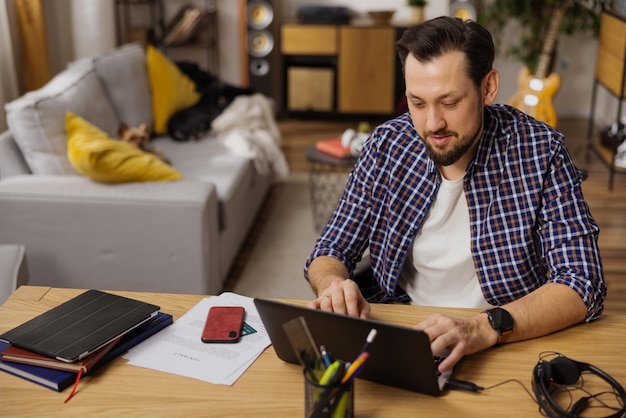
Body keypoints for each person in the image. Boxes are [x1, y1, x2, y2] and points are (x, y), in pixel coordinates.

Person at [303, 16, 606, 374]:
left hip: (505, 338)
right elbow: (329, 250)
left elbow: (582, 282)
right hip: (404, 331)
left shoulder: (541, 152)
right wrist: (333, 284)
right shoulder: (386, 145)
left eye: (449, 103)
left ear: (488, 87)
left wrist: (481, 327)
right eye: (417, 103)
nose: (432, 124)